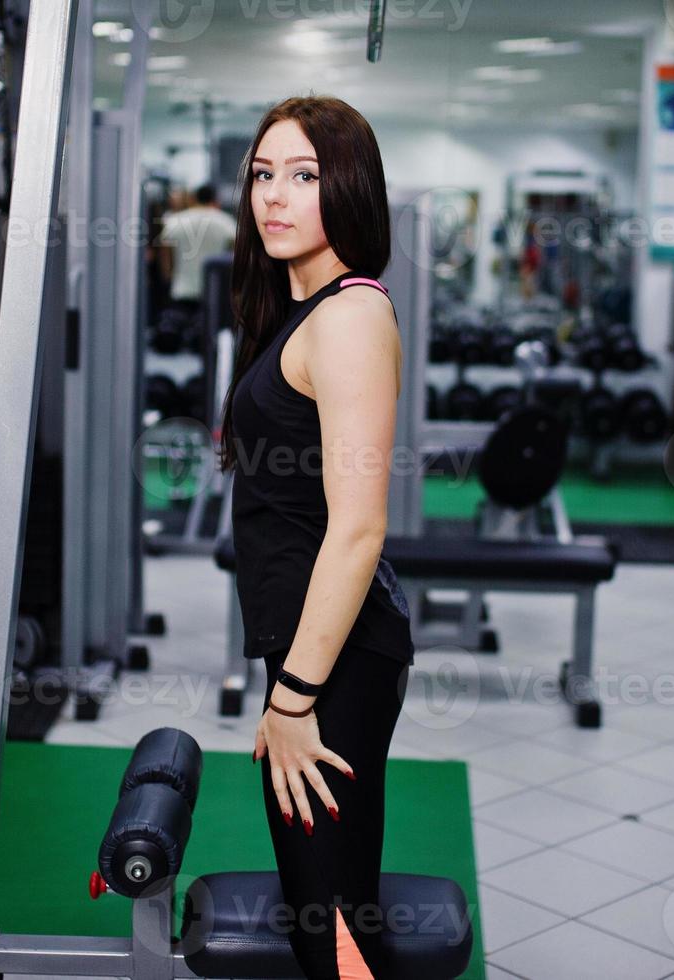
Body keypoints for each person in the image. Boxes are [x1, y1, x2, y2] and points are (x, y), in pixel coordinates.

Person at [216, 95, 414, 980]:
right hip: (308, 647)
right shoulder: (300, 310)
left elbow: (359, 529)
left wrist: (293, 699)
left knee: (329, 923)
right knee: (322, 908)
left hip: (331, 667)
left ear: (350, 189)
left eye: (303, 175)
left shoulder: (349, 317)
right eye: (263, 174)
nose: (275, 195)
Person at [157, 183, 236, 315]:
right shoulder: (227, 223)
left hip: (182, 293)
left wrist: (168, 280)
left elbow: (165, 261)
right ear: (215, 201)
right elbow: (235, 258)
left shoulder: (174, 222)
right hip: (215, 294)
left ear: (194, 199)